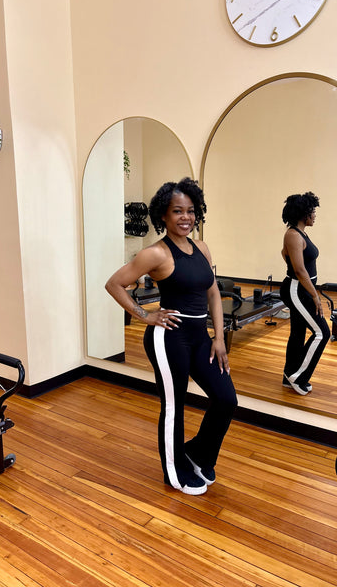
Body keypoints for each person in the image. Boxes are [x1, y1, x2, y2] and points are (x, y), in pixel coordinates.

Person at [105, 177, 237, 496]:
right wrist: (146, 315)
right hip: (169, 338)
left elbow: (213, 293)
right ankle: (174, 472)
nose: (185, 217)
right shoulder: (155, 254)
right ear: (163, 215)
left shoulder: (201, 248)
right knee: (174, 406)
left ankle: (198, 454)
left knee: (226, 399)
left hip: (201, 336)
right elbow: (114, 284)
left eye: (190, 211)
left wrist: (219, 338)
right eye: (177, 211)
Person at [280, 192, 330, 396]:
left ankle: (288, 376)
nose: (315, 215)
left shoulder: (300, 234)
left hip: (301, 289)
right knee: (322, 333)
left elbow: (284, 253)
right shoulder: (293, 235)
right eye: (312, 211)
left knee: (298, 333)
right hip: (296, 290)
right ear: (303, 214)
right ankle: (298, 377)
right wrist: (315, 296)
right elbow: (300, 271)